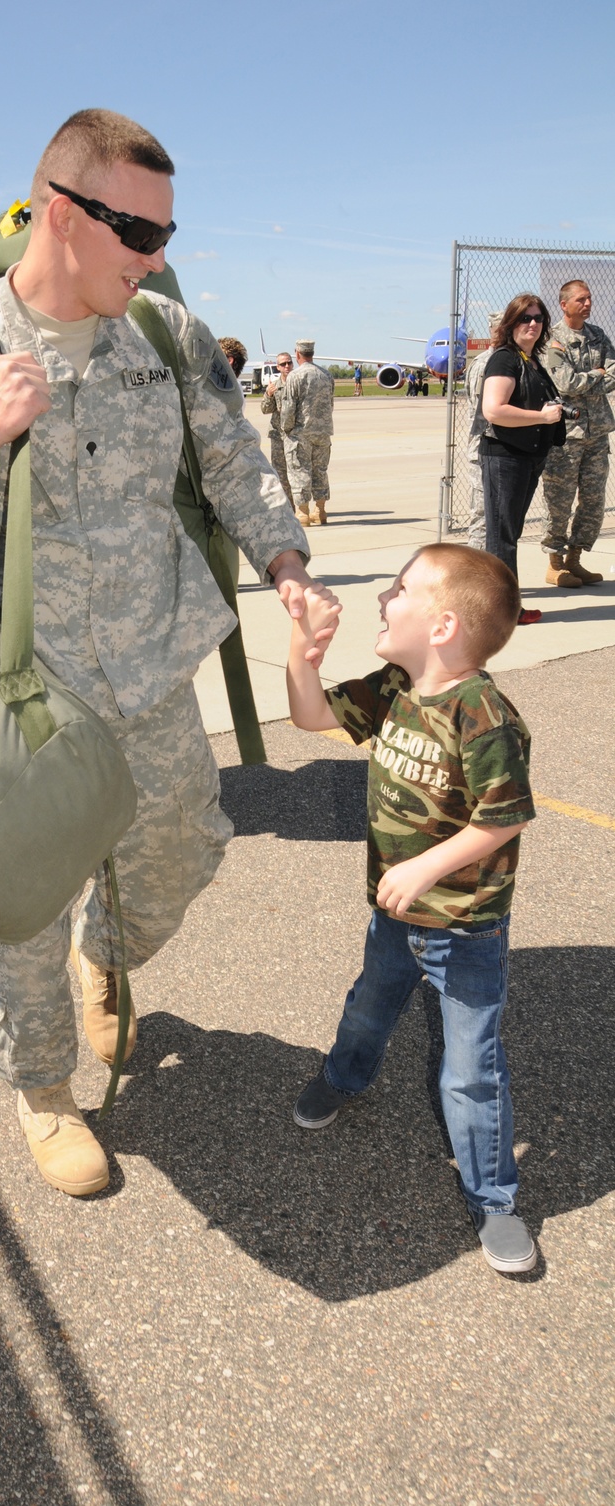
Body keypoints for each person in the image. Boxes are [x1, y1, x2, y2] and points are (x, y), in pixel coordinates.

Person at [0, 107, 337, 1197]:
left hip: (151, 660)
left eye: (166, 236)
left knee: (183, 845)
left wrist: (288, 567)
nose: (156, 260)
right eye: (137, 234)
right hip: (19, 686)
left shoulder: (166, 337)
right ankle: (42, 1090)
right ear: (60, 210)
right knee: (26, 903)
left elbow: (234, 461)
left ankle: (110, 960)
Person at [287, 543, 537, 1275]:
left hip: (466, 928)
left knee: (472, 1071)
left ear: (443, 626)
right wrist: (304, 648)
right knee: (370, 1005)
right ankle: (343, 1076)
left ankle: (494, 1198)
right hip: (396, 916)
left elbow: (505, 817)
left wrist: (427, 864)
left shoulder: (484, 717)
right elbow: (309, 717)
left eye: (401, 589)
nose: (383, 597)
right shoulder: (397, 685)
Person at [479, 294, 565, 625]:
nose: (532, 324)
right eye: (524, 318)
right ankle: (501, 611)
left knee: (508, 533)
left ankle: (501, 606)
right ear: (511, 324)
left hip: (526, 457)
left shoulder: (529, 360)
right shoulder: (505, 359)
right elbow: (494, 410)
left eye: (538, 319)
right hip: (505, 457)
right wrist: (542, 418)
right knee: (501, 536)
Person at [539, 279, 615, 589]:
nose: (587, 304)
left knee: (593, 501)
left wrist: (592, 377)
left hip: (597, 434)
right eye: (581, 299)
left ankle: (575, 560)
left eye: (589, 298)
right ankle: (554, 564)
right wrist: (598, 375)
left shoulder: (598, 335)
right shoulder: (552, 339)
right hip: (566, 437)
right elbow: (565, 384)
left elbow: (614, 372)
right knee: (560, 501)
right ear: (564, 304)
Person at [280, 339, 334, 526]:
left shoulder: (295, 376)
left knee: (299, 470)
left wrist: (286, 428)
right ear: (312, 353)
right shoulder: (326, 375)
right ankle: (320, 511)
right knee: (320, 470)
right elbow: (330, 405)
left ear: (298, 354)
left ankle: (303, 513)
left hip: (300, 432)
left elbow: (288, 407)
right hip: (323, 432)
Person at [463, 312, 504, 549]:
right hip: (484, 449)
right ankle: (474, 575)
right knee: (483, 515)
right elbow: (485, 414)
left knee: (495, 515)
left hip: (496, 450)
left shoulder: (506, 360)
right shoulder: (487, 364)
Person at [259, 353, 294, 508]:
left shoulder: (297, 384)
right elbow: (265, 409)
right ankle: (289, 505)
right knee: (280, 472)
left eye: (289, 363)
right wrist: (268, 394)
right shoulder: (274, 386)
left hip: (293, 435)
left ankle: (301, 505)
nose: (287, 366)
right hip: (278, 435)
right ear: (278, 367)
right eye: (283, 364)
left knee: (296, 470)